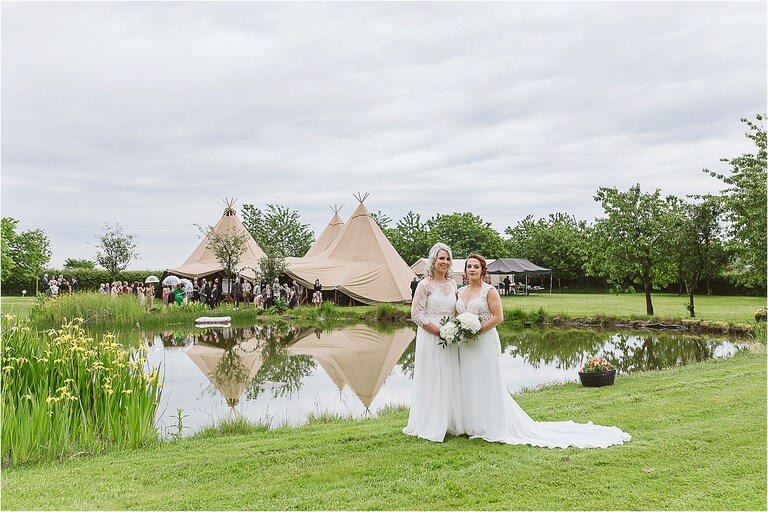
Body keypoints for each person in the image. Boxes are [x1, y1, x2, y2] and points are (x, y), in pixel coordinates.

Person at [457, 254, 631, 448]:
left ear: (482, 270)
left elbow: (498, 317)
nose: (472, 270)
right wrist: (460, 330)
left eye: (476, 267)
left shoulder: (489, 291)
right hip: (466, 345)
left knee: (488, 381)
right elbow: (458, 315)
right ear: (465, 270)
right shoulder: (460, 291)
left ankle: (491, 425)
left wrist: (478, 330)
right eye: (469, 266)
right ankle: (472, 424)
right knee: (470, 381)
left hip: (485, 342)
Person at [403, 242, 463, 442]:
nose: (445, 262)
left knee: (449, 375)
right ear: (433, 261)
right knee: (433, 376)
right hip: (431, 336)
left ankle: (449, 422)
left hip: (450, 335)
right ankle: (430, 423)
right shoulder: (424, 284)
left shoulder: (453, 284)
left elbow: (455, 309)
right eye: (441, 259)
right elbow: (416, 314)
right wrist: (439, 332)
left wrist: (456, 328)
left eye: (447, 259)